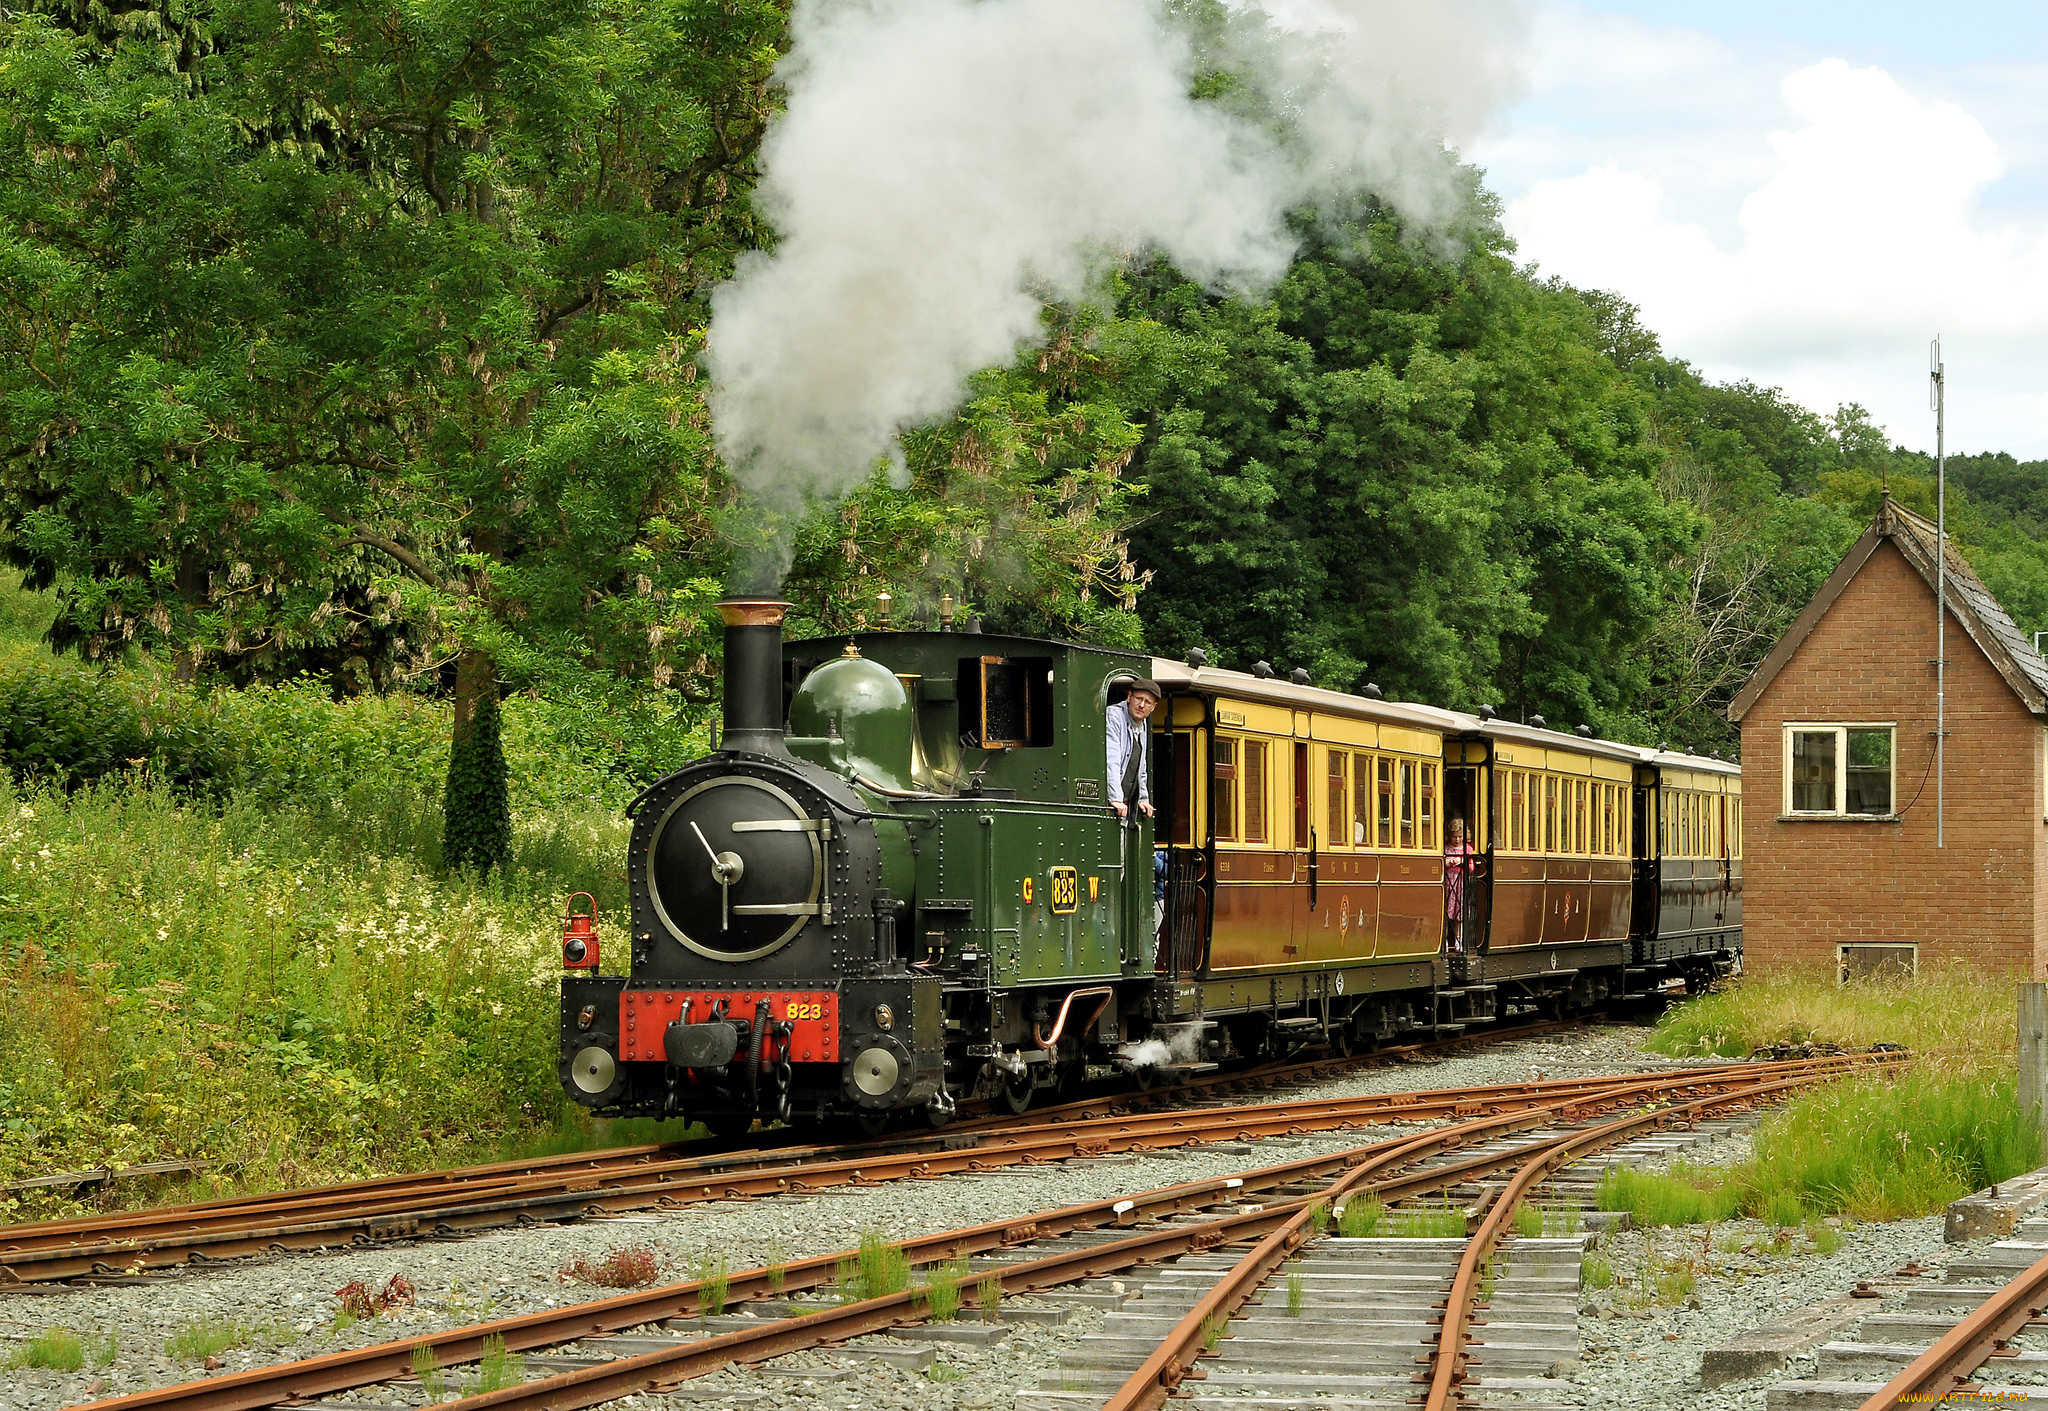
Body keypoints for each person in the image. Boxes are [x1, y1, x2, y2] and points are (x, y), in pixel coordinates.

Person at [1105, 679, 1160, 821]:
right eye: (1139, 699)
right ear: (1129, 697)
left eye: (1147, 702)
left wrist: (1143, 798)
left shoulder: (1142, 723)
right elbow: (1112, 760)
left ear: (1153, 707)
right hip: (1111, 801)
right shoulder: (1114, 716)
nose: (1142, 705)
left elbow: (1141, 767)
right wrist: (1116, 798)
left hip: (1125, 803)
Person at [1444, 817, 1484, 954]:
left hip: (1460, 883)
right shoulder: (1446, 848)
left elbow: (1472, 867)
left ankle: (1458, 941)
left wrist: (1461, 860)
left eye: (1460, 836)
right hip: (1449, 882)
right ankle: (1445, 942)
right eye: (1454, 837)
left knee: (1459, 914)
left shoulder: (1467, 849)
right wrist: (1447, 862)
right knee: (1447, 913)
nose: (1457, 840)